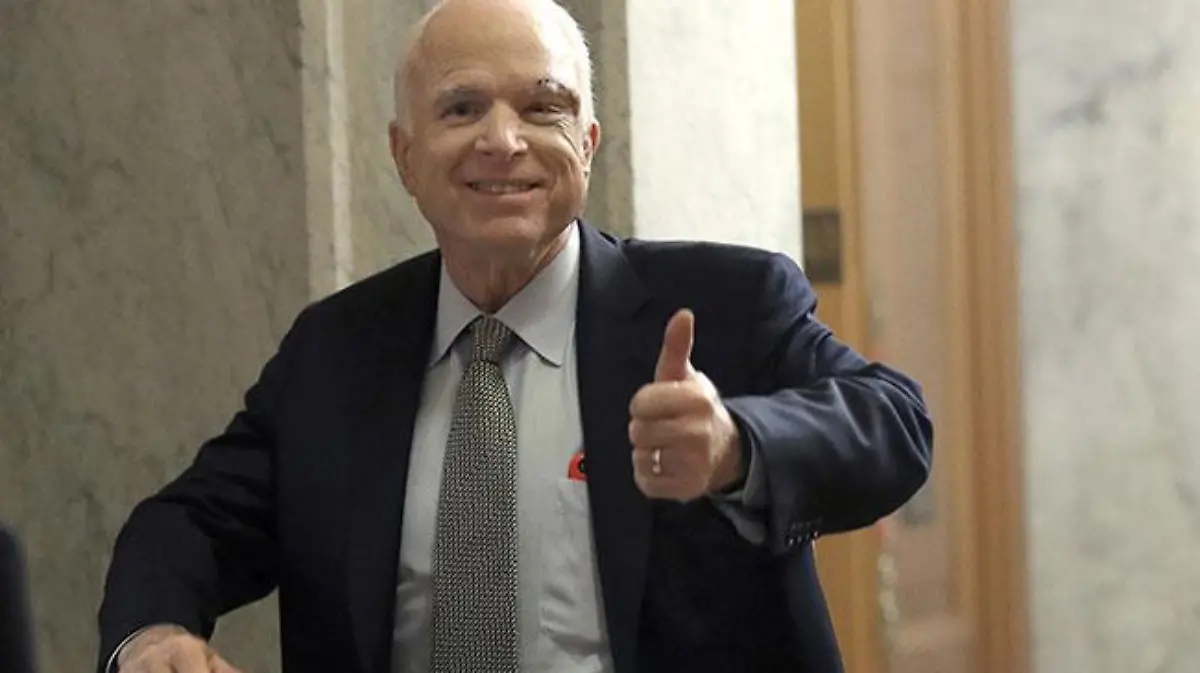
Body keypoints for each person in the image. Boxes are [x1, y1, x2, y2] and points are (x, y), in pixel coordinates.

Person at [97, 0, 933, 671]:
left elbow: (894, 421)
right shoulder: (335, 352)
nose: (503, 140)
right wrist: (153, 634)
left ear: (587, 145)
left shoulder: (725, 305)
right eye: (462, 108)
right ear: (405, 156)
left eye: (543, 107)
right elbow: (188, 522)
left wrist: (734, 447)